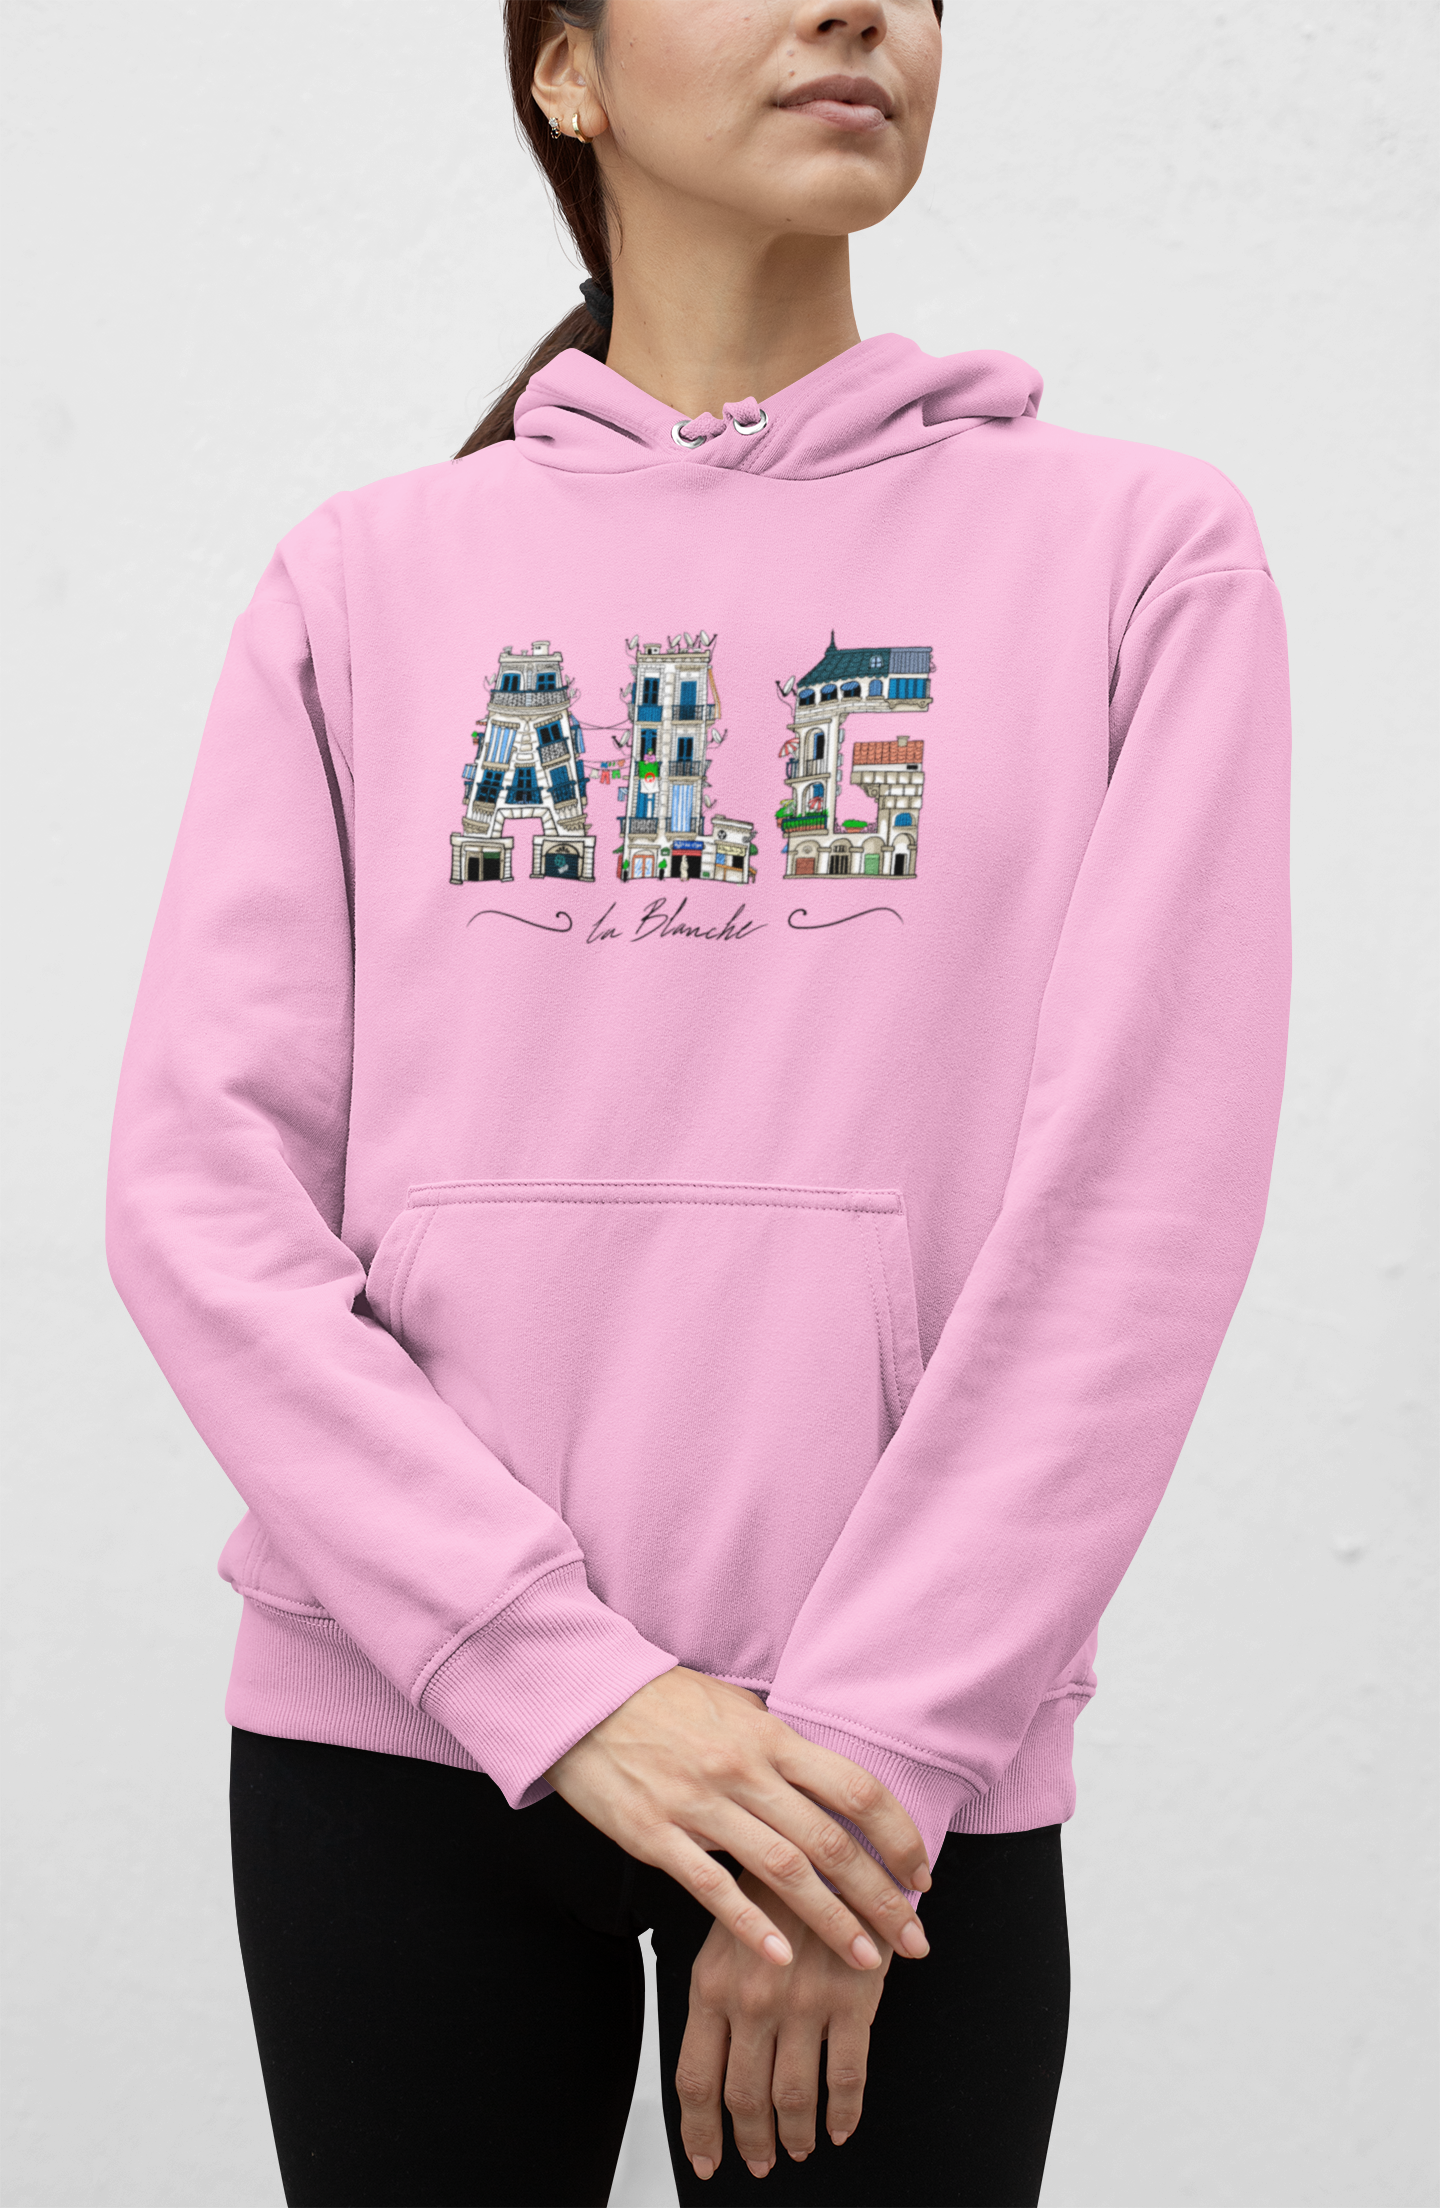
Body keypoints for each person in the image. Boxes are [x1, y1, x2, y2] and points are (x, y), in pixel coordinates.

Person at [105, 0, 1292, 2200]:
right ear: (562, 71)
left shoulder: (1141, 558)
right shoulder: (363, 583)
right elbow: (202, 1198)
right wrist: (554, 1676)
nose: (863, 10)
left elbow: (1139, 1215)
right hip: (401, 1739)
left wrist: (869, 1760)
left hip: (886, 1782)